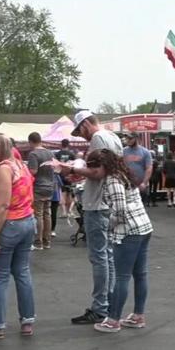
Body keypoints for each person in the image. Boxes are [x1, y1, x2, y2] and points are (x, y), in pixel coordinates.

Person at [59, 110, 123, 325]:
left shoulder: (98, 138)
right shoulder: (112, 136)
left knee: (99, 257)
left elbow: (98, 172)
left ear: (86, 124)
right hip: (109, 202)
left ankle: (100, 307)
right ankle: (109, 302)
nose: (81, 136)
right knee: (108, 256)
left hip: (97, 203)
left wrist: (72, 168)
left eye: (80, 131)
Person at [91, 149, 154, 333]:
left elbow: (119, 211)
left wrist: (109, 225)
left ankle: (113, 320)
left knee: (122, 277)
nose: (94, 173)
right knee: (140, 274)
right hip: (144, 227)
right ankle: (138, 315)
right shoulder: (124, 173)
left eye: (95, 168)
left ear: (103, 166)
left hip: (128, 232)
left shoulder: (112, 179)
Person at [0, 133, 36, 338]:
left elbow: (3, 205)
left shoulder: (4, 169)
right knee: (22, 271)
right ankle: (27, 321)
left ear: (0, 148)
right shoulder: (20, 165)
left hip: (9, 224)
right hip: (27, 222)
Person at [27, 132, 55, 251]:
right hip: (50, 186)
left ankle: (38, 242)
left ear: (31, 142)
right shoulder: (50, 153)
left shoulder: (33, 154)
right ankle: (47, 241)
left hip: (38, 186)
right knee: (47, 214)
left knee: (38, 214)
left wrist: (25, 170)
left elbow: (33, 171)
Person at [122, 131, 153, 205]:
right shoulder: (123, 151)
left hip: (140, 185)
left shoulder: (145, 152)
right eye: (127, 138)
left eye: (130, 138)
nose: (128, 140)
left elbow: (149, 168)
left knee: (140, 207)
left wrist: (144, 183)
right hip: (127, 185)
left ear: (136, 139)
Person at [55, 139, 77, 220]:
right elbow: (74, 165)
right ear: (68, 144)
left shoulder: (57, 154)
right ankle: (69, 211)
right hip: (69, 175)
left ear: (61, 144)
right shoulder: (72, 154)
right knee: (69, 194)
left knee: (62, 193)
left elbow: (55, 165)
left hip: (60, 176)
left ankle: (64, 212)